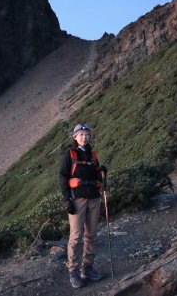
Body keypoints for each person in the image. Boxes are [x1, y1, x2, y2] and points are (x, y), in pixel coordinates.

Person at [58, 123, 108, 288]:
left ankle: (87, 268)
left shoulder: (92, 155)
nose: (84, 137)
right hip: (77, 200)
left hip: (93, 198)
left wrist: (102, 176)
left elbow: (97, 176)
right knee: (76, 236)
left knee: (91, 235)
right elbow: (63, 177)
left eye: (87, 134)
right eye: (81, 134)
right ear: (75, 137)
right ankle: (73, 270)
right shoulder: (70, 154)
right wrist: (67, 200)